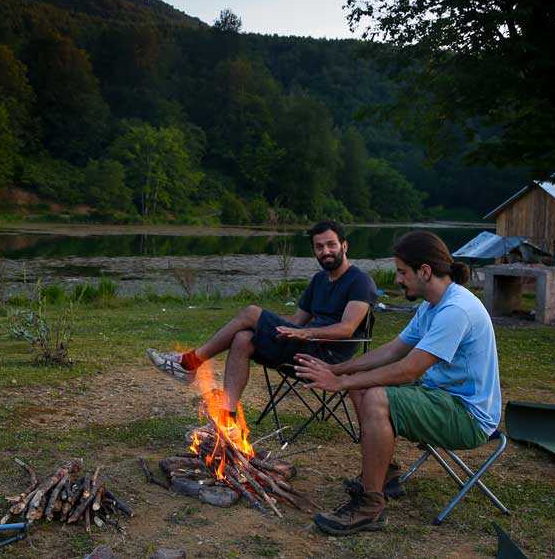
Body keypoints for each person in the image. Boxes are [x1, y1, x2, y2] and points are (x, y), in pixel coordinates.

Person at [294, 230, 501, 536]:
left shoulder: (455, 310)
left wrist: (337, 383)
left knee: (377, 396)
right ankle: (385, 474)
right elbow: (393, 350)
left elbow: (408, 370)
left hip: (468, 416)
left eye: (402, 273)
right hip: (439, 397)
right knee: (361, 385)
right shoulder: (432, 305)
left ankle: (370, 506)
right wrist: (339, 371)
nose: (399, 280)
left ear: (425, 271)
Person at [146, 221, 377, 433]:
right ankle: (227, 419)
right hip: (303, 349)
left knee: (251, 312)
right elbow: (296, 323)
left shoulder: (359, 281)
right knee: (243, 339)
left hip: (328, 358)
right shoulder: (319, 280)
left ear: (344, 246)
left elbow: (346, 329)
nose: (325, 251)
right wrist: (276, 326)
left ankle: (190, 363)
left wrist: (304, 332)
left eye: (331, 245)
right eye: (319, 247)